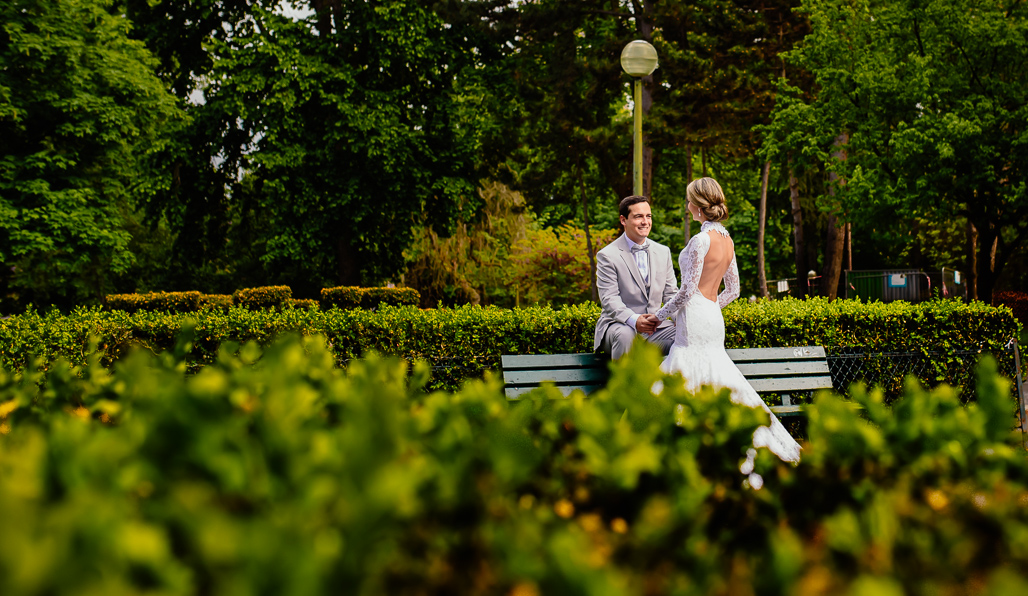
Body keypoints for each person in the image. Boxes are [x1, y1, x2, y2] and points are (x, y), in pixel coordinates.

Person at [654, 178, 801, 463]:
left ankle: (687, 449)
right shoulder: (727, 239)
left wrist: (658, 316)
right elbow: (733, 290)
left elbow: (686, 291)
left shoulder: (700, 240)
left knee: (687, 369)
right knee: (717, 373)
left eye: (688, 201)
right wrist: (710, 307)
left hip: (696, 314)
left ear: (697, 206)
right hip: (712, 315)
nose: (687, 206)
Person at [594, 195, 678, 360]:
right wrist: (634, 320)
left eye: (648, 216)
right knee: (626, 336)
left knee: (687, 334)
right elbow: (609, 299)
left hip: (656, 330)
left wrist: (681, 319)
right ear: (623, 220)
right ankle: (625, 386)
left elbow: (671, 294)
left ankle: (671, 385)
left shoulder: (663, 252)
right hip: (619, 326)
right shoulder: (607, 255)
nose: (645, 221)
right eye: (638, 216)